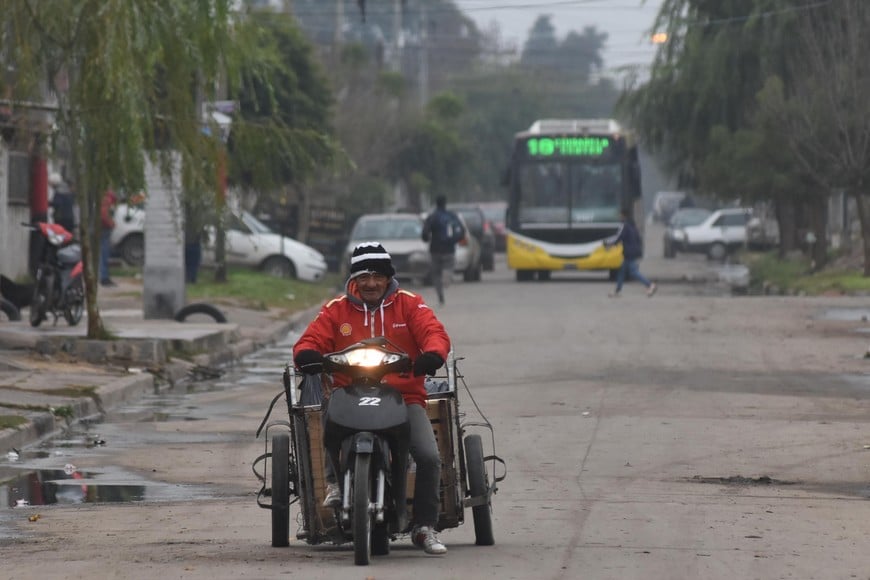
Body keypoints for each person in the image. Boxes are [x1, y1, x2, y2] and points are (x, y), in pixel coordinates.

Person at [293, 241, 450, 556]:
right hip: (349, 393)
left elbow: (434, 333)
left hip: (403, 397)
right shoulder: (336, 309)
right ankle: (335, 484)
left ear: (388, 277)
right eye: (363, 276)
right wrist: (308, 354)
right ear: (354, 279)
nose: (371, 283)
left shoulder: (410, 304)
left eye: (378, 276)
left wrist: (432, 354)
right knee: (329, 414)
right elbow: (309, 340)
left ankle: (424, 526)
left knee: (429, 456)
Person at [421, 195, 465, 306]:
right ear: (445, 203)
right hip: (449, 249)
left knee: (436, 274)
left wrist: (427, 239)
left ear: (436, 203)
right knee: (449, 266)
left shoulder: (432, 217)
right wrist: (455, 240)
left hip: (435, 249)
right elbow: (461, 230)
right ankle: (447, 277)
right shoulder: (451, 216)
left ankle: (440, 295)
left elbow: (425, 233)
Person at [605, 207, 657, 298]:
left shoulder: (624, 225)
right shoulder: (632, 225)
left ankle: (650, 285)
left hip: (629, 252)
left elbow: (619, 237)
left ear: (623, 215)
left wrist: (609, 244)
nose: (618, 216)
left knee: (633, 272)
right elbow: (637, 238)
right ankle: (617, 291)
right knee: (621, 272)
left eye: (619, 214)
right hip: (632, 251)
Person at [99, 190, 118, 287]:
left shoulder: (103, 198)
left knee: (102, 253)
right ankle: (104, 277)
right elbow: (103, 215)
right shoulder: (107, 200)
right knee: (104, 253)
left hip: (101, 228)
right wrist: (111, 224)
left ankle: (102, 276)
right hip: (104, 229)